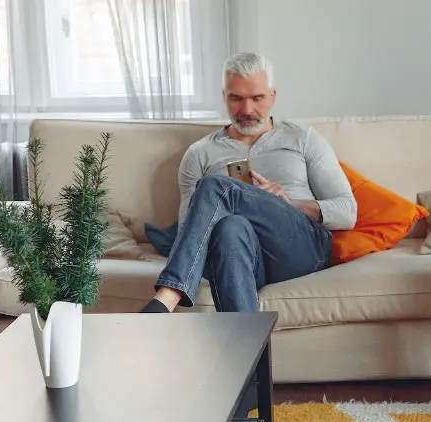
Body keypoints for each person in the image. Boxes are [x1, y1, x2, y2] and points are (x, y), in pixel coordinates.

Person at [140, 52, 357, 314]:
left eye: (257, 98)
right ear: (224, 97)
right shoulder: (200, 153)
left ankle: (168, 296)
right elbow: (191, 229)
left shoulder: (303, 139)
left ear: (273, 96)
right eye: (236, 98)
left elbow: (347, 211)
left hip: (299, 248)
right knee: (230, 226)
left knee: (216, 186)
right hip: (240, 253)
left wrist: (290, 204)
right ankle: (250, 355)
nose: (247, 110)